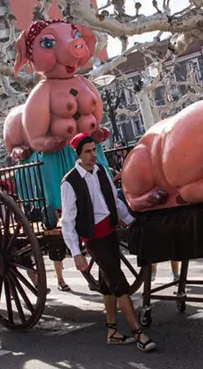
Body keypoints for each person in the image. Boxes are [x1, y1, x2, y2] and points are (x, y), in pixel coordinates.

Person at [61, 132, 157, 352]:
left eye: (94, 150)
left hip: (110, 232)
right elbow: (67, 221)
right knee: (119, 283)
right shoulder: (70, 182)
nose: (93, 155)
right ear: (78, 154)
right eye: (88, 151)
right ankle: (138, 334)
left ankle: (112, 331)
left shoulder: (102, 171)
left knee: (107, 284)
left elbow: (114, 202)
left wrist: (131, 221)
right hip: (93, 238)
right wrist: (76, 252)